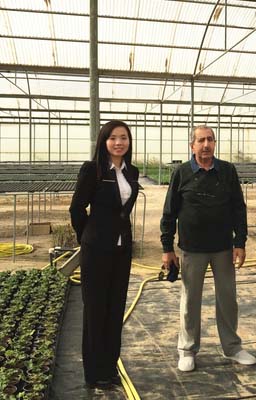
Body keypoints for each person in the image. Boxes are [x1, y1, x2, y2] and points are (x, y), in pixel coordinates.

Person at [160, 125, 256, 372]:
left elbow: (238, 208)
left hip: (223, 248)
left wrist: (240, 242)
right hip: (192, 249)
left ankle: (232, 347)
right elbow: (169, 211)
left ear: (215, 143)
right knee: (190, 300)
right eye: (201, 140)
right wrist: (167, 247)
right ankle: (187, 349)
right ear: (192, 145)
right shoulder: (181, 173)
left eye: (210, 140)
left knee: (227, 298)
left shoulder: (227, 171)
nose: (206, 144)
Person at [69, 120, 140, 389]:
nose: (119, 142)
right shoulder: (93, 170)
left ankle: (110, 368)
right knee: (96, 309)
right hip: (96, 249)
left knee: (115, 307)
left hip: (122, 250)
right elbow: (77, 208)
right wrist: (87, 237)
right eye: (113, 138)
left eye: (123, 137)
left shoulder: (131, 171)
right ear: (104, 141)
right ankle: (94, 372)